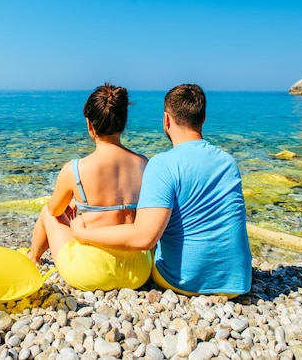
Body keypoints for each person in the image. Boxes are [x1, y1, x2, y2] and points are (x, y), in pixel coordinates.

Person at [71, 84, 252, 297]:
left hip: (183, 281)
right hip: (238, 282)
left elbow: (143, 238)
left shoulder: (163, 164)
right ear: (203, 119)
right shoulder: (228, 162)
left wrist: (84, 233)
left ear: (166, 119)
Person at [27, 83, 153, 291]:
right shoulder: (144, 164)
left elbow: (55, 211)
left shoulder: (75, 169)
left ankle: (34, 257)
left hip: (92, 272)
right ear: (123, 124)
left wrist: (80, 205)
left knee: (48, 213)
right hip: (137, 272)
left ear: (89, 125)